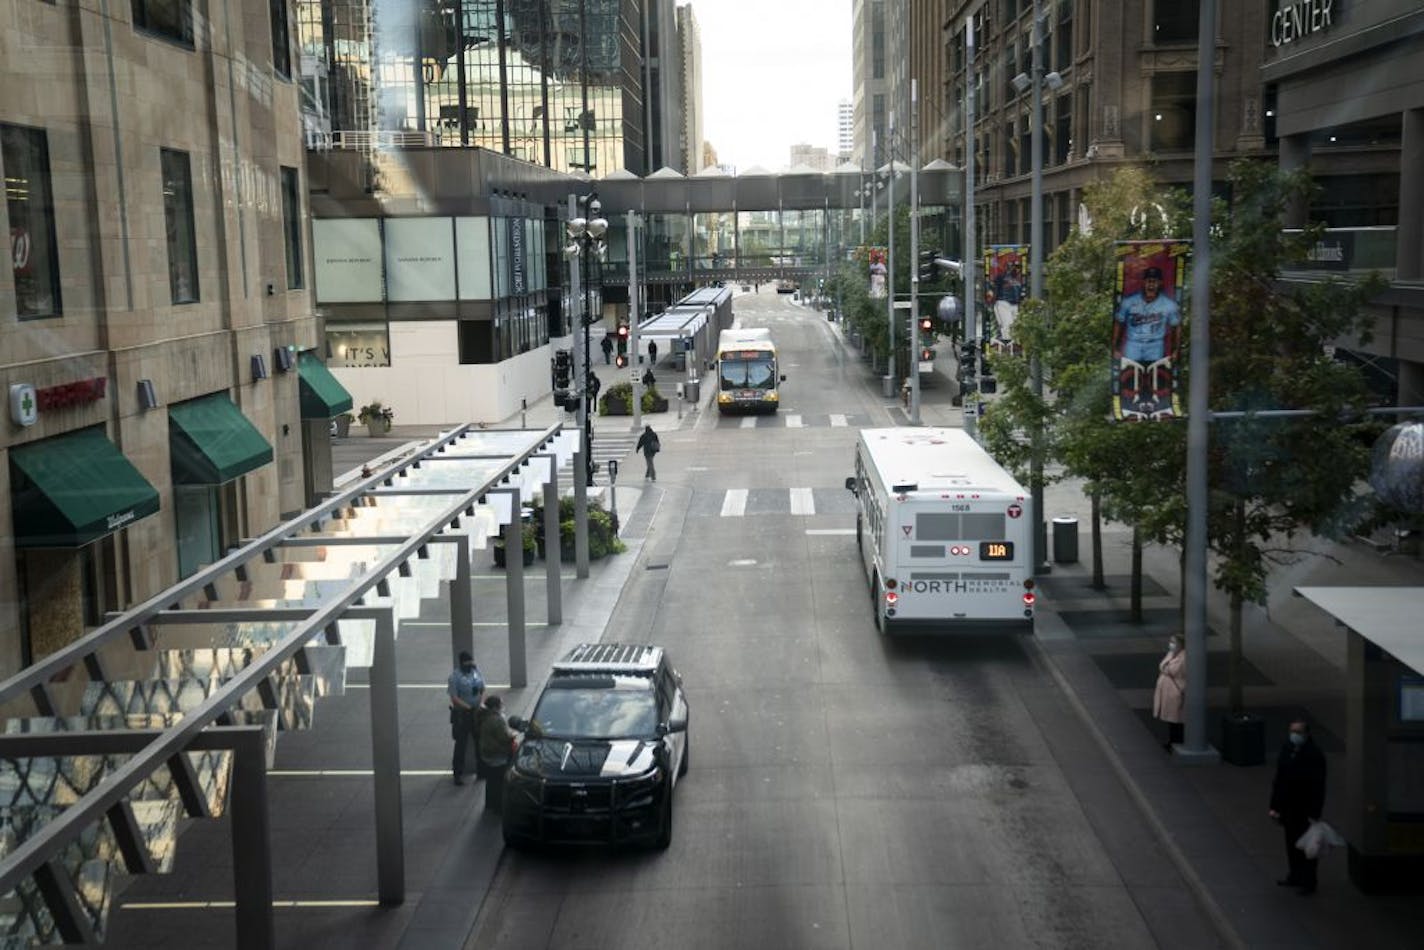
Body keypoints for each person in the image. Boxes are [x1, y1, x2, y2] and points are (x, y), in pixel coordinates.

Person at [1112, 265, 1182, 413]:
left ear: (1160, 283)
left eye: (1154, 281)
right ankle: (1130, 404)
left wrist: (1176, 350)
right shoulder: (1129, 302)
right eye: (1149, 281)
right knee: (1131, 373)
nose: (1151, 284)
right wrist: (1115, 348)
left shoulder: (1168, 305)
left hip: (1155, 344)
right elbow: (1118, 324)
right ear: (1143, 282)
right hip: (1133, 343)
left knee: (1155, 374)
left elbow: (1177, 327)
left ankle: (1155, 404)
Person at [1269, 719, 1327, 895]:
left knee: (1307, 847)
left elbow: (1318, 787)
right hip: (1288, 808)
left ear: (1307, 734)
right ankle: (1295, 875)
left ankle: (1308, 882)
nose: (1294, 735)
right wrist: (1274, 806)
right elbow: (1279, 780)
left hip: (1304, 809)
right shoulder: (1287, 749)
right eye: (1292, 731)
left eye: (1298, 732)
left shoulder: (1314, 755)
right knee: (1292, 843)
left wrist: (1315, 812)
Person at [446, 651, 484, 785]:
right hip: (462, 714)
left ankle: (481, 771)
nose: (470, 665)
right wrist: (468, 707)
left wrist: (480, 703)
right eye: (467, 663)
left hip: (476, 712)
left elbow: (482, 688)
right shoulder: (454, 677)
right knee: (461, 745)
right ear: (461, 663)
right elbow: (454, 698)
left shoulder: (476, 672)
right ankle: (457, 774)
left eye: (471, 663)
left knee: (479, 741)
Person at [477, 694, 518, 811]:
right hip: (497, 755)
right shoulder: (497, 720)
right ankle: (498, 806)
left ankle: (490, 804)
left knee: (491, 782)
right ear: (495, 707)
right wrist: (514, 734)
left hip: (487, 754)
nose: (502, 706)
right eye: (501, 704)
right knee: (499, 783)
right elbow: (504, 737)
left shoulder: (485, 717)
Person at [1153, 634, 1186, 750]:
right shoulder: (1171, 654)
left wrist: (1165, 669)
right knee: (1172, 719)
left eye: (1173, 642)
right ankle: (1172, 741)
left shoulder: (1184, 658)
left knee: (1177, 718)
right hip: (1167, 691)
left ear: (1180, 644)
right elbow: (1163, 666)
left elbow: (1171, 670)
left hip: (1175, 691)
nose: (1170, 644)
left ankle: (1176, 742)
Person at [991, 259, 1024, 344]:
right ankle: (1005, 345)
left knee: (1016, 327)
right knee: (1007, 325)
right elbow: (994, 286)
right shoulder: (1002, 277)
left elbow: (1021, 293)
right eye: (1015, 267)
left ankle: (1012, 346)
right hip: (1003, 303)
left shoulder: (1019, 279)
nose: (1017, 269)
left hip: (1015, 304)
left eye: (1018, 267)